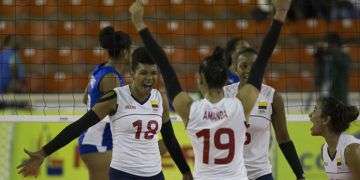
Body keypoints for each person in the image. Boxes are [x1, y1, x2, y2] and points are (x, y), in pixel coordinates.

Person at [130, 0, 291, 179]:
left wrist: (139, 24)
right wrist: (280, 14)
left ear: (200, 81)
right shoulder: (240, 105)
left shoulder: (190, 109)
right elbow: (262, 59)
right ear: (226, 80)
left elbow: (165, 66)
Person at [17, 47, 193, 180]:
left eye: (154, 73)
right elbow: (79, 126)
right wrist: (43, 152)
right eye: (143, 73)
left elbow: (169, 138)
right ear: (132, 73)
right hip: (123, 174)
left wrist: (185, 172)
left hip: (154, 174)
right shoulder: (116, 97)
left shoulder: (159, 98)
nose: (149, 78)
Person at [223, 47, 304, 180]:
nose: (249, 70)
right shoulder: (224, 94)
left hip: (260, 173)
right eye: (243, 66)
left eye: (254, 66)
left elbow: (283, 138)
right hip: (230, 173)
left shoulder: (272, 96)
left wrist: (299, 174)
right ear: (235, 69)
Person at [78, 26, 128, 180]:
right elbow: (117, 113)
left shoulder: (99, 69)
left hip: (95, 139)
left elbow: (85, 98)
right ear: (125, 52)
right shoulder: (111, 78)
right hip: (98, 141)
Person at [309, 97, 360, 179]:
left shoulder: (352, 149)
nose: (310, 115)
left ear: (325, 119)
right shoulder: (324, 149)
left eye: (315, 110)